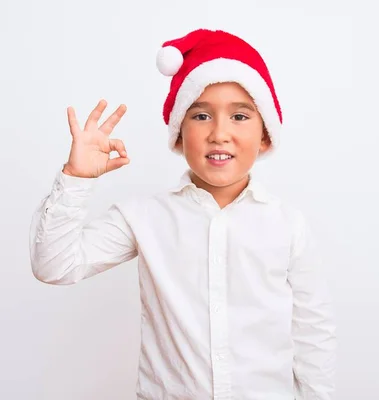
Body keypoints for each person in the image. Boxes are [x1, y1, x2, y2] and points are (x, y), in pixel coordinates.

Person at [29, 28, 336, 400]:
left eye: (240, 116)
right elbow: (55, 266)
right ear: (178, 134)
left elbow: (312, 334)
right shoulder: (144, 217)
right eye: (202, 115)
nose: (219, 133)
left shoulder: (288, 225)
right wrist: (75, 178)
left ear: (266, 135)